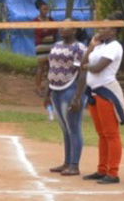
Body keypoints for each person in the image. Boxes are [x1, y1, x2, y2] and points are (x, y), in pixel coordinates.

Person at [74, 13, 124, 185]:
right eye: (100, 27)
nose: (100, 30)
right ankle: (102, 168)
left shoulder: (115, 47)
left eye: (104, 27)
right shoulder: (100, 46)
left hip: (106, 92)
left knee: (111, 134)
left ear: (113, 30)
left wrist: (88, 66)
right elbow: (83, 63)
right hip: (94, 93)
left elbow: (96, 68)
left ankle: (113, 172)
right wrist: (90, 46)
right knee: (102, 134)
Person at [46, 26, 85, 176]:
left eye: (66, 26)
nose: (62, 28)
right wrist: (46, 94)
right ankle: (67, 162)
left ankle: (74, 165)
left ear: (74, 30)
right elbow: (51, 69)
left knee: (73, 128)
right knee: (65, 129)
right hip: (55, 90)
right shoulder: (56, 45)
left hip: (70, 89)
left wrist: (77, 97)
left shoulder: (79, 48)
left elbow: (82, 73)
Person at [34, 0, 57, 100]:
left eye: (47, 9)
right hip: (41, 46)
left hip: (51, 45)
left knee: (50, 67)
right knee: (41, 66)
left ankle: (48, 87)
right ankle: (38, 87)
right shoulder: (35, 21)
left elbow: (55, 30)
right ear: (39, 9)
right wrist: (48, 31)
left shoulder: (51, 19)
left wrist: (46, 30)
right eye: (44, 9)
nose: (46, 11)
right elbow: (39, 33)